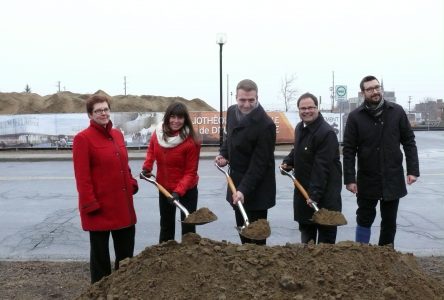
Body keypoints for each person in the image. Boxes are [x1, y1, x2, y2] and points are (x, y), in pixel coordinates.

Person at [343, 75, 420, 247]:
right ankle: (361, 252)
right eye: (370, 89)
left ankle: (386, 256)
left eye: (377, 87)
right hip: (367, 178)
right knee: (364, 218)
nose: (375, 91)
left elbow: (409, 141)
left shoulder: (397, 111)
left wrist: (413, 170)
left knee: (389, 221)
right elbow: (349, 150)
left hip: (392, 177)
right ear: (363, 93)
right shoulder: (355, 117)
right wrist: (349, 179)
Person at [73, 94, 139, 284]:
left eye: (105, 109)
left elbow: (123, 164)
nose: (103, 113)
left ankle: (122, 289)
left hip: (122, 205)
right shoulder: (83, 139)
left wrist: (131, 182)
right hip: (99, 208)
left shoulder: (117, 134)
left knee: (126, 257)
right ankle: (99, 293)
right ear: (90, 115)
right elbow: (82, 177)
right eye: (98, 111)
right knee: (100, 260)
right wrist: (90, 204)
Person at [215, 79, 276, 245]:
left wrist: (243, 190)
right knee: (243, 231)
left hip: (258, 188)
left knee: (256, 238)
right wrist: (224, 154)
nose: (247, 104)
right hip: (237, 182)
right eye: (242, 100)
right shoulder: (232, 112)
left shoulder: (266, 125)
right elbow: (230, 138)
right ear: (236, 97)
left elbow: (260, 163)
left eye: (251, 100)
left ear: (257, 98)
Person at [280, 93, 342, 244]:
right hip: (304, 194)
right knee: (307, 240)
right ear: (299, 110)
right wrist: (288, 163)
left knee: (325, 244)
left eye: (310, 107)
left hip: (324, 196)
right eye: (303, 108)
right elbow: (297, 150)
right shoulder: (300, 128)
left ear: (317, 108)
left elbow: (322, 167)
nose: (307, 111)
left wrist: (314, 194)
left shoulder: (326, 133)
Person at [141, 102, 201, 243]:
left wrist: (178, 192)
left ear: (185, 119)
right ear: (167, 117)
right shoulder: (158, 133)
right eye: (172, 117)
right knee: (166, 225)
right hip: (165, 187)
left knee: (188, 228)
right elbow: (151, 150)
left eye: (180, 118)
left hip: (187, 189)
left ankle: (189, 257)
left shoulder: (191, 140)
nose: (175, 121)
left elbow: (190, 172)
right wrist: (147, 167)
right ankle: (165, 257)